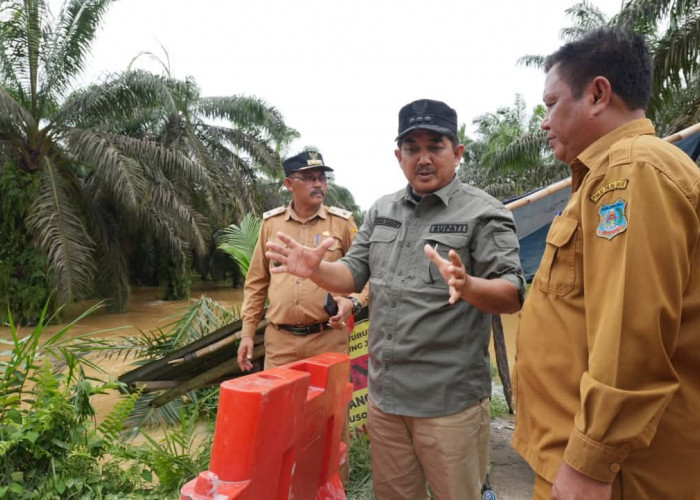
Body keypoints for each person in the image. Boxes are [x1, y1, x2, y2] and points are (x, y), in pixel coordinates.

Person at [265, 99, 525, 500]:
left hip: (449, 403)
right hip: (385, 400)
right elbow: (352, 274)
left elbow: (511, 294)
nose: (423, 158)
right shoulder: (382, 210)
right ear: (398, 155)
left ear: (457, 152)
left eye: (435, 146)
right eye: (412, 148)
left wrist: (469, 284)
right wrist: (314, 269)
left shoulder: (483, 212)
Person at [511, 27, 700, 500]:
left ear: (597, 94)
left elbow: (631, 336)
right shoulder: (604, 179)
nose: (544, 121)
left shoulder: (630, 172)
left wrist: (591, 462)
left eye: (551, 103)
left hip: (618, 476)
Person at [237, 150, 367, 371]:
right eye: (309, 178)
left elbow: (367, 273)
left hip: (327, 339)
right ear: (289, 183)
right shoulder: (271, 224)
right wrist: (247, 334)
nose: (318, 184)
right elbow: (257, 283)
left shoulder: (342, 224)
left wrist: (353, 302)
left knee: (329, 405)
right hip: (280, 343)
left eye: (322, 178)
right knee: (281, 404)